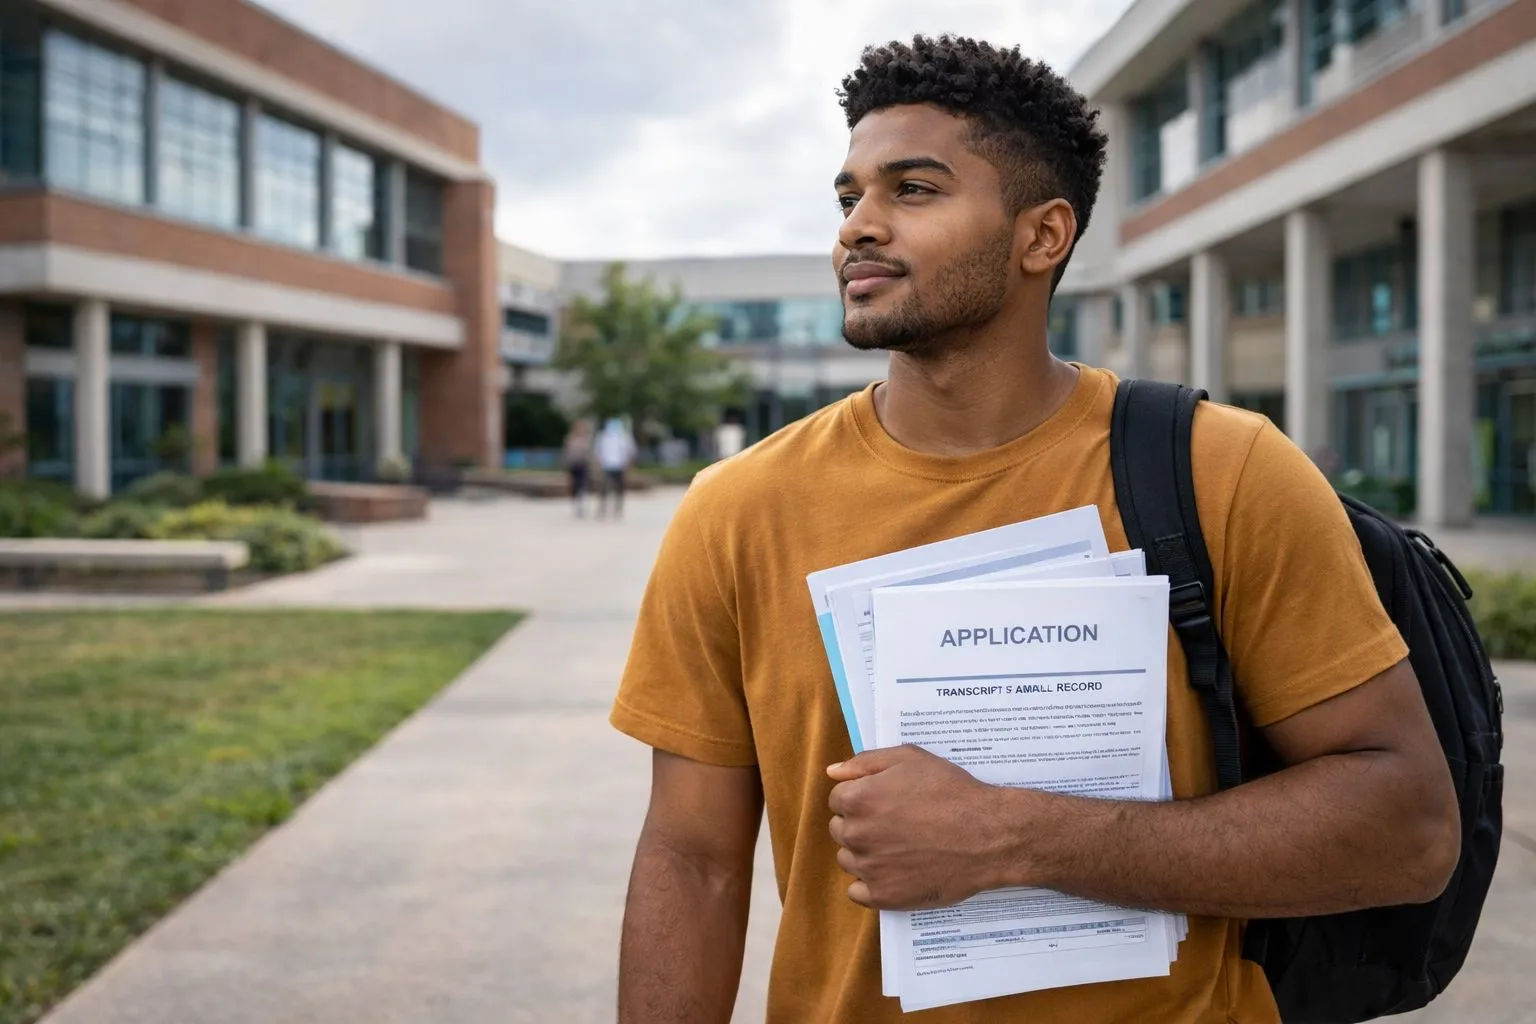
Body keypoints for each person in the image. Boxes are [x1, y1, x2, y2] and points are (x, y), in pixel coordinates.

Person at [610, 35, 1459, 1024]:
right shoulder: (738, 509)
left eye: (913, 190)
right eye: (849, 199)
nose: (859, 229)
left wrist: (1015, 838)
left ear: (1042, 236)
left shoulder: (1222, 470)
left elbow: (1409, 827)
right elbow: (693, 856)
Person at [595, 417, 636, 519]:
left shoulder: (625, 437)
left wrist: (628, 466)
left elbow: (631, 452)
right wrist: (599, 464)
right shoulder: (603, 437)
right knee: (604, 488)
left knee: (620, 489)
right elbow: (598, 452)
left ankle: (618, 509)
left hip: (620, 466)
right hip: (607, 466)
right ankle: (602, 509)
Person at [561, 419, 594, 518]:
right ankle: (576, 502)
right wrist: (565, 464)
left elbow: (589, 454)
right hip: (573, 465)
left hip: (583, 465)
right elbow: (567, 453)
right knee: (574, 485)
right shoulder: (570, 439)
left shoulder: (586, 440)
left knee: (583, 484)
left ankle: (582, 504)